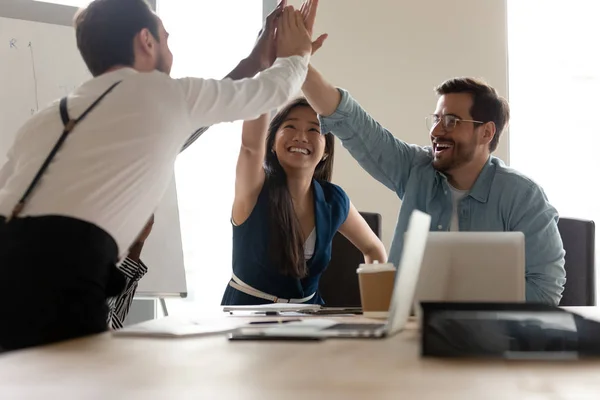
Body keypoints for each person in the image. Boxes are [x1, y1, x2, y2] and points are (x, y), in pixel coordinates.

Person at [0, 0, 315, 350]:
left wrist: (256, 62)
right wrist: (297, 55)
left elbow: (196, 116)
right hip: (68, 279)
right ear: (146, 42)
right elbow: (265, 94)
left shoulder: (45, 120)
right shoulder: (161, 94)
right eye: (165, 38)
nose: (169, 47)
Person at [300, 65, 566, 305]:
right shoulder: (416, 169)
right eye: (437, 119)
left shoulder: (523, 196)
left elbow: (545, 292)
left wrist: (466, 305)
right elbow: (351, 121)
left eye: (451, 121)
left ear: (486, 132)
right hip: (408, 338)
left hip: (488, 341)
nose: (437, 131)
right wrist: (297, 60)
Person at [221, 97, 387, 305]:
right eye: (290, 126)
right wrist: (266, 83)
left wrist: (377, 313)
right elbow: (250, 147)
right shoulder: (254, 187)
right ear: (272, 142)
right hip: (248, 317)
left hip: (310, 319)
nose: (300, 136)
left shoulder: (334, 200)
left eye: (314, 130)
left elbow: (374, 249)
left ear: (326, 150)